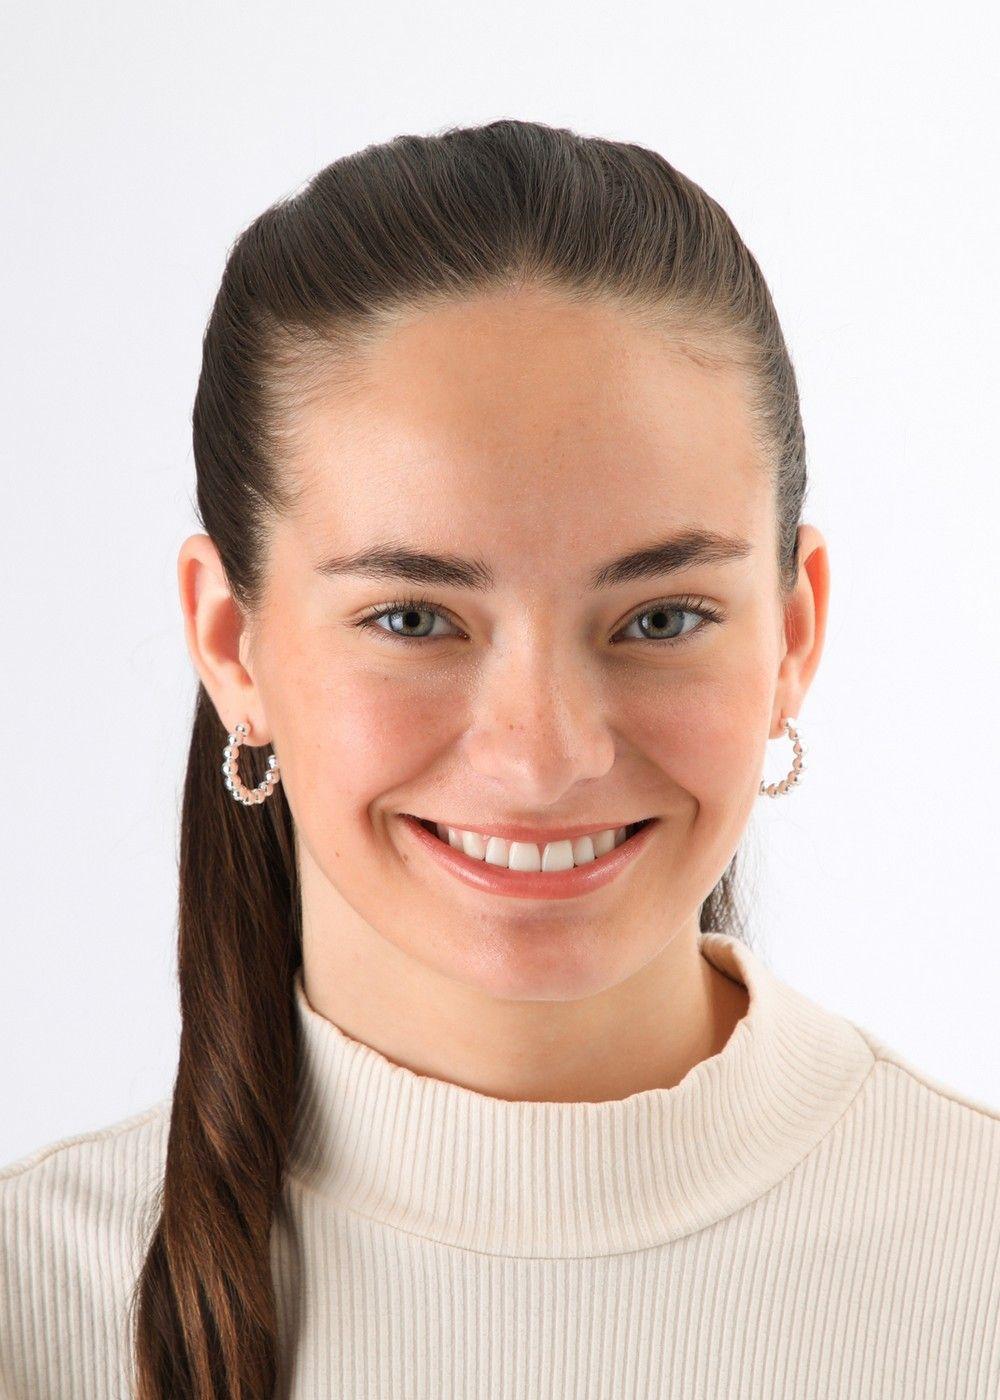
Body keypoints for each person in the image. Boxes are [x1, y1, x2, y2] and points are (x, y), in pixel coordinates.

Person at [2, 119, 997, 1400]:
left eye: (660, 617)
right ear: (230, 642)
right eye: (414, 620)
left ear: (792, 633)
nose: (543, 759)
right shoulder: (34, 1314)